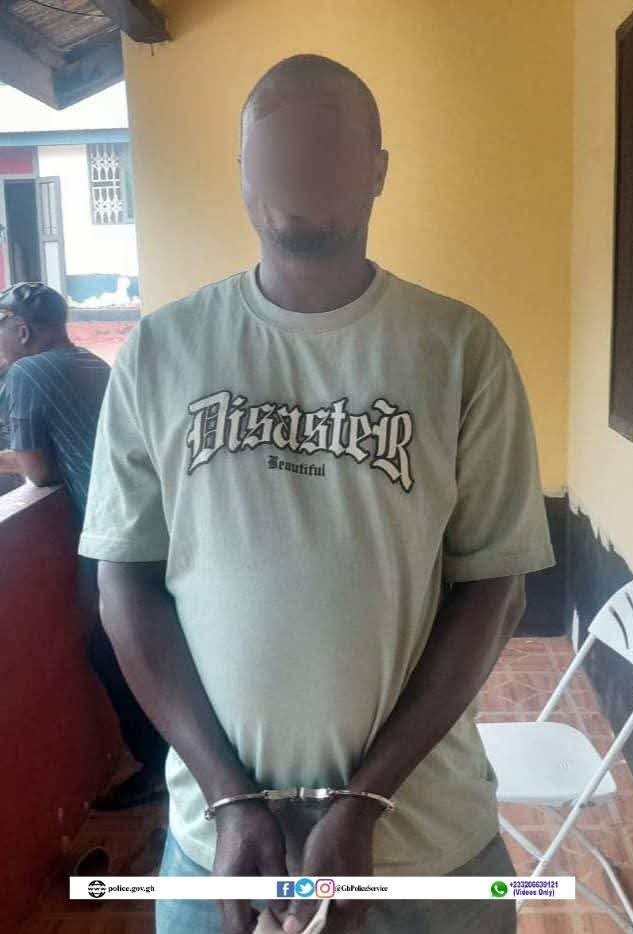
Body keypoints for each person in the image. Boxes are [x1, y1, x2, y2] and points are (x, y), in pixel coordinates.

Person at [78, 54, 555, 934]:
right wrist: (228, 797)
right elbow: (125, 583)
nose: (302, 166)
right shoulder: (160, 353)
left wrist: (364, 802)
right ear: (243, 171)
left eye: (330, 143)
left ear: (379, 168)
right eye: (279, 146)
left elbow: (495, 588)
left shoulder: (460, 350)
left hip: (424, 851)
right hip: (219, 848)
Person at [0, 281, 167, 809]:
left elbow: (39, 472)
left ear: (21, 330)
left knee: (113, 649)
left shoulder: (27, 372)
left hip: (114, 530)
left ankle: (159, 769)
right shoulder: (90, 362)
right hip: (150, 519)